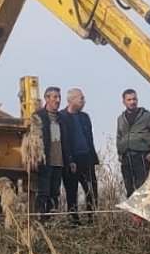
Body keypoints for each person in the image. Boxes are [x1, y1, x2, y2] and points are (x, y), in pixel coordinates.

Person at [61, 87, 99, 225]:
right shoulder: (62, 117)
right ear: (72, 100)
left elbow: (90, 138)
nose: (84, 100)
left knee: (91, 190)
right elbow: (64, 141)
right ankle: (73, 220)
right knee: (71, 191)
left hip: (87, 158)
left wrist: (93, 158)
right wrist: (69, 159)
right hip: (71, 160)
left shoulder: (85, 117)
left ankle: (92, 218)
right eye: (81, 98)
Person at [115, 89, 150, 197]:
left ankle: (141, 214)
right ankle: (131, 214)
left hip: (141, 156)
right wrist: (120, 154)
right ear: (124, 102)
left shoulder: (147, 116)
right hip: (126, 158)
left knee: (142, 189)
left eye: (134, 99)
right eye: (129, 99)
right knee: (129, 189)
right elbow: (118, 136)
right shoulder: (120, 119)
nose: (132, 102)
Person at [30, 87, 66, 216]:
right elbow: (33, 140)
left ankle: (52, 220)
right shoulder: (38, 116)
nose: (58, 100)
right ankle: (40, 220)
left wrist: (70, 160)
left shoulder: (61, 118)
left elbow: (65, 141)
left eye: (59, 97)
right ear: (47, 99)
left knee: (55, 193)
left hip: (59, 161)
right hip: (45, 161)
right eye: (54, 97)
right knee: (43, 192)